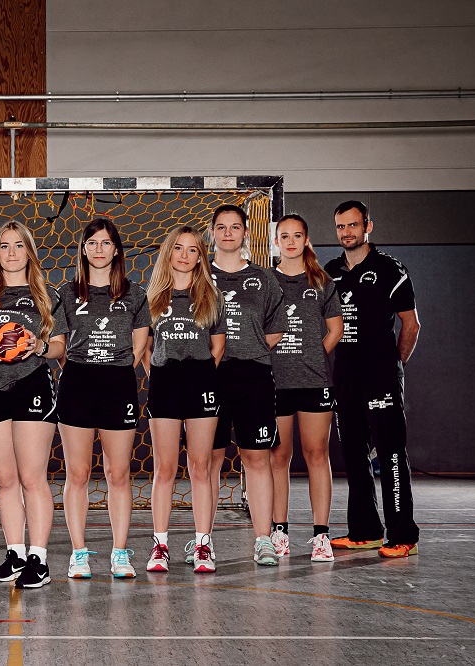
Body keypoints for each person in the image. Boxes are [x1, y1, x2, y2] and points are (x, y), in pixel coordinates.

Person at [0, 221, 67, 589]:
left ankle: (39, 559)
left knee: (32, 477)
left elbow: (60, 347)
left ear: (29, 252)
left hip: (31, 383)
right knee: (5, 480)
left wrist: (40, 346)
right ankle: (16, 554)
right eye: (4, 246)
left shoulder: (47, 295)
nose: (11, 252)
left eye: (19, 245)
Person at [325, 200, 420, 558]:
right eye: (341, 226)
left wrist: (394, 365)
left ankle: (403, 535)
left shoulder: (390, 269)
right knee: (353, 452)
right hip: (346, 375)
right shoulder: (331, 271)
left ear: (368, 226)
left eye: (353, 225)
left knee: (391, 453)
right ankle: (365, 531)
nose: (346, 232)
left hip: (381, 375)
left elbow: (411, 325)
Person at [56, 218, 151, 579]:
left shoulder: (134, 293)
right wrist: (81, 368)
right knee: (78, 473)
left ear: (116, 250)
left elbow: (140, 343)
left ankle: (120, 553)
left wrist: (116, 368)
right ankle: (78, 553)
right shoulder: (66, 293)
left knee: (118, 473)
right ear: (83, 249)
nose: (99, 248)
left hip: (118, 384)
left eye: (106, 243)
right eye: (92, 242)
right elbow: (60, 345)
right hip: (77, 384)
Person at [142, 225, 225, 573]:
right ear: (168, 252)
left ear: (200, 257)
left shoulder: (211, 296)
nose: (185, 255)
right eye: (178, 247)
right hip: (165, 380)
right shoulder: (150, 298)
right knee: (164, 468)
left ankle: (203, 544)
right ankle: (160, 545)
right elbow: (144, 346)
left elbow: (218, 347)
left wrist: (200, 376)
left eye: (193, 250)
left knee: (200, 467)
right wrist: (157, 373)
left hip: (201, 380)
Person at [210, 204, 287, 566]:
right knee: (208, 461)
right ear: (212, 232)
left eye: (235, 227)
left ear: (245, 232)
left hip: (253, 376)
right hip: (209, 376)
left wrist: (248, 350)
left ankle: (263, 539)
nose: (228, 233)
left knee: (256, 458)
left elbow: (275, 329)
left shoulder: (264, 279)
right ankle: (203, 539)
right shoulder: (197, 275)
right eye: (221, 227)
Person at [268, 214, 343, 562]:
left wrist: (312, 355)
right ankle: (279, 531)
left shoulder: (322, 281)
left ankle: (321, 536)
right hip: (275, 381)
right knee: (278, 457)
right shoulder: (265, 280)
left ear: (306, 239)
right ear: (276, 241)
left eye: (297, 235)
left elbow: (336, 330)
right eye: (284, 236)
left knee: (316, 455)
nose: (291, 241)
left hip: (315, 382)